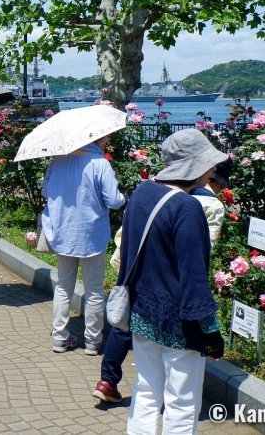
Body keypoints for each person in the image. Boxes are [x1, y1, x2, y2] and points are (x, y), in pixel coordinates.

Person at [93, 155, 233, 404]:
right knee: (182, 400)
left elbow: (126, 233)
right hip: (174, 300)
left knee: (143, 384)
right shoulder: (201, 206)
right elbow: (196, 261)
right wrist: (210, 330)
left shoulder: (146, 190)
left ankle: (107, 379)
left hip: (137, 276)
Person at [118, 129, 226, 434]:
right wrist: (211, 330)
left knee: (147, 389)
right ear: (194, 166)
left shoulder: (142, 193)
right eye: (209, 163)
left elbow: (127, 251)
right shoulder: (188, 208)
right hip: (180, 322)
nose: (213, 170)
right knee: (182, 401)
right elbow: (194, 276)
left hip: (142, 310)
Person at [41, 134, 125, 355]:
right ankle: (93, 342)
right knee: (94, 290)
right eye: (106, 137)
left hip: (63, 232)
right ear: (98, 137)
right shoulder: (100, 163)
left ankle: (59, 338)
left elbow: (46, 192)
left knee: (63, 286)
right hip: (91, 234)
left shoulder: (58, 160)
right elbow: (115, 202)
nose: (108, 140)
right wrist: (114, 182)